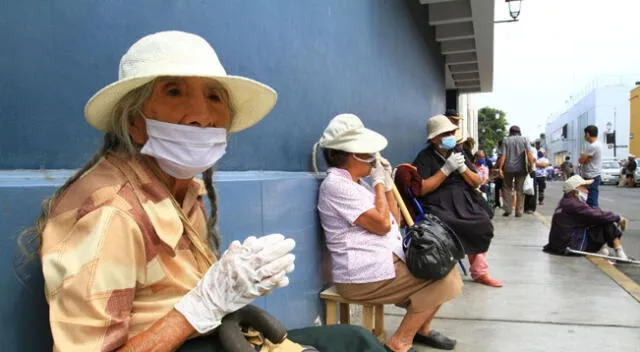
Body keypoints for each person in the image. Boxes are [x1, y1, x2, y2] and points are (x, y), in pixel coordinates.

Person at [20, 31, 376, 352]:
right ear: (134, 122)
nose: (202, 116)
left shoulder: (185, 189)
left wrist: (232, 286)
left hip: (215, 337)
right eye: (174, 91)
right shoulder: (110, 213)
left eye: (214, 96)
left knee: (357, 340)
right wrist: (203, 306)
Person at [315, 114, 463, 352]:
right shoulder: (336, 185)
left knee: (444, 264)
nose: (373, 160)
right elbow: (383, 225)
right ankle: (400, 343)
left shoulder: (356, 183)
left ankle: (418, 331)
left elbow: (394, 218)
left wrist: (387, 184)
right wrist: (378, 184)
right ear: (349, 155)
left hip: (382, 262)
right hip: (361, 275)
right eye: (367, 154)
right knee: (444, 276)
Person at [413, 115, 502, 288]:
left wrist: (462, 169)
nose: (450, 136)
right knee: (446, 223)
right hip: (439, 200)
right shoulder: (425, 158)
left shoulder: (459, 152)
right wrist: (445, 170)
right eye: (445, 133)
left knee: (482, 222)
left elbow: (477, 181)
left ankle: (480, 272)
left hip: (465, 197)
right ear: (433, 139)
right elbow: (422, 188)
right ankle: (444, 270)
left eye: (451, 132)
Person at [543, 176, 629, 259]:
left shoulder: (566, 202)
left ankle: (604, 250)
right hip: (569, 246)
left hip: (559, 245)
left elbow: (592, 214)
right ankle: (620, 253)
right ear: (575, 190)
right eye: (584, 188)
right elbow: (596, 215)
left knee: (598, 221)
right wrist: (618, 218)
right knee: (607, 224)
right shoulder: (574, 204)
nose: (587, 191)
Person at [496, 126, 535, 217]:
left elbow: (503, 155)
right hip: (521, 169)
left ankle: (508, 210)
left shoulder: (505, 140)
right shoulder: (525, 139)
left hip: (508, 169)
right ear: (519, 132)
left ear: (510, 132)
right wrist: (531, 165)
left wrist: (500, 168)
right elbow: (529, 154)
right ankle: (519, 212)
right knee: (520, 190)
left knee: (507, 189)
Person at [579, 125, 602, 207]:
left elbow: (581, 160)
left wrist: (583, 158)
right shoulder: (597, 144)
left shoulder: (593, 146)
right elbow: (585, 159)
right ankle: (592, 217)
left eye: (585, 134)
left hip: (591, 176)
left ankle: (595, 218)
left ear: (587, 134)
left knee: (591, 200)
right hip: (593, 175)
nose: (584, 136)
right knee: (590, 199)